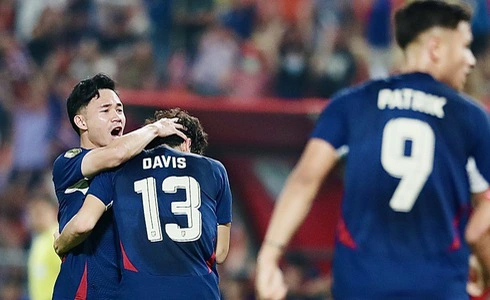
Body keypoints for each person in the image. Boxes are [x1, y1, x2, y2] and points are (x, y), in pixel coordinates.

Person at [255, 1, 490, 299]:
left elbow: (304, 180)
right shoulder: (470, 116)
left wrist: (268, 256)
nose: (470, 59)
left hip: (361, 285)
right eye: (465, 46)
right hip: (438, 286)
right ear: (435, 48)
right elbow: (481, 222)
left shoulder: (351, 104)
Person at [54, 108, 233, 299]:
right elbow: (220, 253)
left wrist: (60, 243)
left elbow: (83, 224)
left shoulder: (117, 169)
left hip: (140, 291)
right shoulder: (214, 170)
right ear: (188, 144)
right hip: (199, 290)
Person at [52, 74, 186, 299]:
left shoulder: (134, 167)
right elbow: (115, 154)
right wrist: (155, 129)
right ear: (81, 122)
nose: (117, 117)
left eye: (120, 109)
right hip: (83, 291)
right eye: (105, 110)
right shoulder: (69, 162)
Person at [27, 194, 60, 300]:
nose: (36, 217)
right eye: (34, 213)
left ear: (54, 211)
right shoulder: (39, 239)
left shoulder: (58, 236)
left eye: (40, 212)